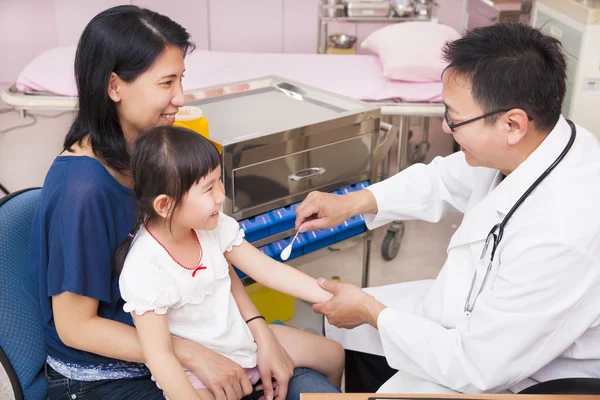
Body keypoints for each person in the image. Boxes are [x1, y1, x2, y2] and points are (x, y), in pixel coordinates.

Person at [29, 5, 340, 399]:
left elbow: (212, 257)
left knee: (323, 362)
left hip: (180, 331)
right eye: (166, 83)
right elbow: (75, 327)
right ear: (114, 87)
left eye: (181, 80)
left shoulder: (151, 156)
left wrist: (259, 329)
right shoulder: (83, 190)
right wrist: (192, 354)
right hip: (105, 373)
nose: (180, 97)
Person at [294, 23, 600, 394]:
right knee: (355, 335)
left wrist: (373, 313)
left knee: (370, 330)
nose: (444, 125)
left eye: (454, 117)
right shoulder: (537, 143)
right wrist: (350, 203)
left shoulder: (565, 233)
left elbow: (477, 365)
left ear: (513, 124)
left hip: (528, 371)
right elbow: (442, 179)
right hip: (475, 315)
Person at [115, 126, 344, 400]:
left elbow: (267, 269)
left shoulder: (211, 225)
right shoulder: (144, 267)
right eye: (208, 188)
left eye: (219, 181)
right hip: (200, 374)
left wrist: (333, 296)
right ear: (165, 206)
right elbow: (161, 357)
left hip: (242, 339)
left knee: (334, 354)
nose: (220, 196)